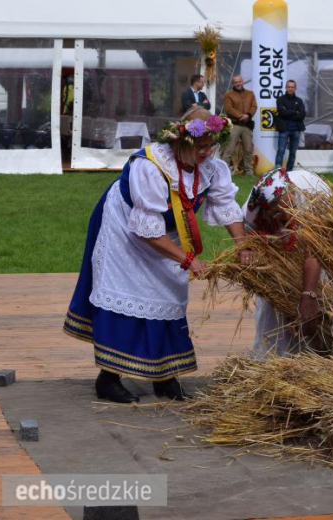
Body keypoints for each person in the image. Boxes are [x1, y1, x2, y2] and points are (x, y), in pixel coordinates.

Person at [63, 109, 246, 403]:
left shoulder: (211, 167)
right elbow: (146, 229)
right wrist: (188, 260)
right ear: (178, 143)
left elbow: (226, 205)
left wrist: (243, 246)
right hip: (126, 227)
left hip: (165, 230)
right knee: (127, 289)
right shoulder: (149, 167)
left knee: (170, 293)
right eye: (200, 147)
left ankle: (164, 376)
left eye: (211, 146)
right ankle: (108, 378)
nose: (207, 152)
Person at [240, 168, 329, 358]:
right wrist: (246, 250)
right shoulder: (254, 206)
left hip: (319, 251)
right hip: (278, 255)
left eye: (281, 210)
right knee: (272, 307)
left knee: (317, 304)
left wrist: (308, 295)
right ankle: (272, 359)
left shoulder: (313, 195)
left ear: (291, 191)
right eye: (273, 213)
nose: (279, 215)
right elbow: (246, 236)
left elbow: (315, 252)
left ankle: (314, 358)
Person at [222, 74, 257, 175]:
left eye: (239, 81)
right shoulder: (229, 94)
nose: (238, 83)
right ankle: (223, 171)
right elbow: (229, 109)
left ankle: (249, 171)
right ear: (233, 83)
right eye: (236, 82)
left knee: (248, 149)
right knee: (230, 149)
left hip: (247, 125)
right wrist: (241, 115)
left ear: (242, 81)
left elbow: (254, 106)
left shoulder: (250, 94)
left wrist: (248, 115)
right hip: (235, 125)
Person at [275, 80, 306, 171]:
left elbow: (302, 115)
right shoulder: (280, 99)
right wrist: (295, 112)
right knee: (281, 151)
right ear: (286, 87)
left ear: (295, 88)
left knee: (293, 152)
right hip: (284, 129)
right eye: (289, 87)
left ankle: (289, 172)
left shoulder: (299, 101)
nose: (290, 89)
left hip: (296, 129)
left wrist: (288, 113)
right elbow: (282, 112)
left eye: (292, 87)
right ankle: (277, 172)